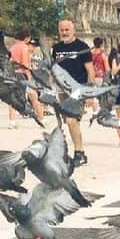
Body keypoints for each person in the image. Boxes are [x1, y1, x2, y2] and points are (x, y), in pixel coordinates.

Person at [51, 19, 94, 163]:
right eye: (61, 30)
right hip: (63, 90)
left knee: (70, 120)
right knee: (72, 122)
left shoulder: (82, 46)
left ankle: (79, 152)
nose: (64, 33)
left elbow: (90, 71)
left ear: (73, 30)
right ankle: (79, 150)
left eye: (67, 30)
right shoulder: (57, 48)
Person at [7, 28, 45, 127]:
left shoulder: (12, 47)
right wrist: (29, 76)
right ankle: (42, 119)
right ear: (27, 38)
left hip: (12, 73)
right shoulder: (24, 47)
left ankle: (12, 121)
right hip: (22, 74)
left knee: (13, 98)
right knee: (34, 97)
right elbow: (25, 63)